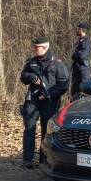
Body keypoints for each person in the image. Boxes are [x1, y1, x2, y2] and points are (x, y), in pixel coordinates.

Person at [20, 36, 69, 168]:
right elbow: (23, 77)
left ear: (45, 47)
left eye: (37, 48)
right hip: (33, 99)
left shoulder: (57, 63)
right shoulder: (31, 62)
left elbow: (64, 85)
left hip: (50, 101)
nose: (35, 50)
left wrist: (49, 95)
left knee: (46, 131)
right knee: (29, 128)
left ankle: (44, 159)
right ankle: (27, 160)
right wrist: (30, 76)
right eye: (34, 47)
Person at [69, 22, 91, 98]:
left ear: (82, 30)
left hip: (83, 70)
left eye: (78, 29)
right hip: (76, 70)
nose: (77, 30)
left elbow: (82, 56)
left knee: (83, 91)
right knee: (74, 92)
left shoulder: (87, 41)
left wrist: (75, 55)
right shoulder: (79, 41)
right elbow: (74, 54)